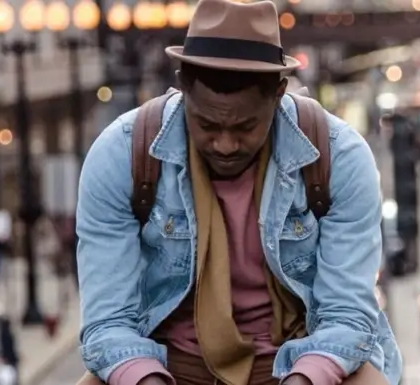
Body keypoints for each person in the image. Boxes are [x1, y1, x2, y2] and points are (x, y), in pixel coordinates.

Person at [73, 1, 400, 384]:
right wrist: (146, 379)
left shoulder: (339, 157)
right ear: (182, 86)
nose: (225, 145)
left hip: (301, 358)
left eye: (245, 127)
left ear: (279, 93)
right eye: (208, 125)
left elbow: (348, 316)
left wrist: (304, 379)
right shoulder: (122, 155)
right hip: (166, 366)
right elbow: (107, 322)